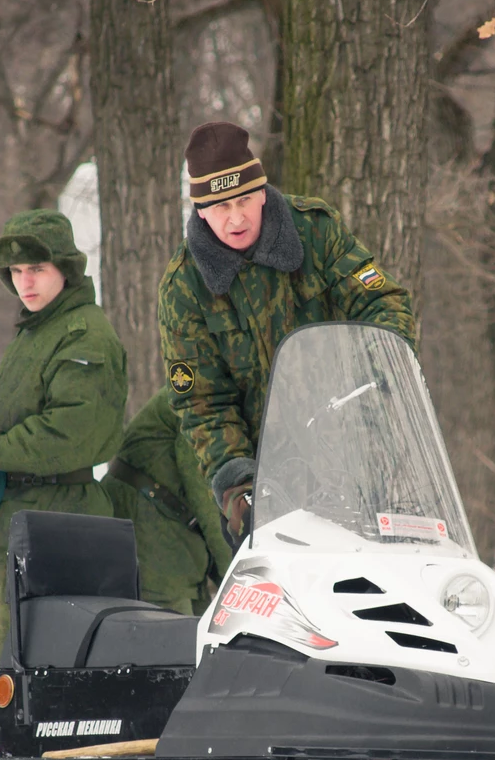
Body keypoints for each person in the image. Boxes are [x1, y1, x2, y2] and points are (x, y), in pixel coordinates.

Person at [158, 120, 416, 544]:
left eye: (244, 199)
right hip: (271, 486)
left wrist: (382, 369)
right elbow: (202, 403)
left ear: (262, 191)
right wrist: (239, 488)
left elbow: (381, 300)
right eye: (221, 206)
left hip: (360, 460)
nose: (236, 217)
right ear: (201, 210)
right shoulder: (184, 288)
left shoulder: (315, 231)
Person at [0, 209, 127, 661]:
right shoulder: (36, 333)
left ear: (66, 268)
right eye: (16, 271)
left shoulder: (83, 335)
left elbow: (68, 434)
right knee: (18, 677)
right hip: (29, 524)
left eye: (36, 268)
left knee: (50, 674)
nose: (25, 282)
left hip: (62, 529)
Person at [102, 389, 235, 615]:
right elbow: (207, 497)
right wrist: (233, 569)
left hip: (175, 541)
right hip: (152, 539)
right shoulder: (202, 398)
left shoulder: (217, 395)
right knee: (171, 629)